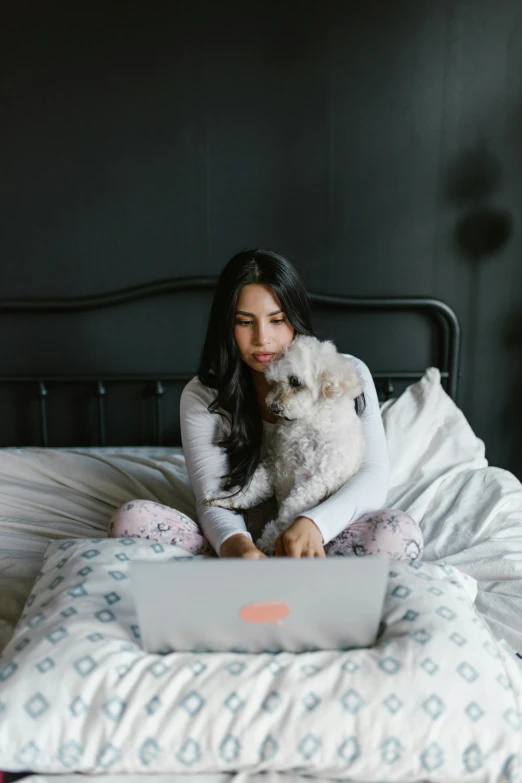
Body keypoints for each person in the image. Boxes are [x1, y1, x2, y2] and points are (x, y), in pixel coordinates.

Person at [109, 249, 424, 561]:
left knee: (399, 532)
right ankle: (250, 574)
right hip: (237, 542)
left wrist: (315, 525)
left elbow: (372, 474)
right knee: (131, 519)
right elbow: (214, 496)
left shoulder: (344, 373)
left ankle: (301, 577)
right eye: (245, 322)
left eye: (277, 320)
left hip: (325, 534)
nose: (262, 338)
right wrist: (237, 547)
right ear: (227, 326)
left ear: (295, 319)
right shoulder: (204, 394)